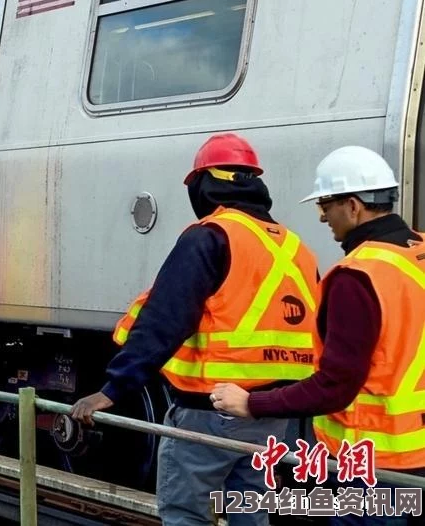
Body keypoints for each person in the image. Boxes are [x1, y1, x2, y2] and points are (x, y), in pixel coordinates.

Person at [70, 133, 321, 526]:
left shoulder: (210, 235)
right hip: (273, 415)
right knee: (250, 514)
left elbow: (164, 320)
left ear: (204, 184)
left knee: (187, 515)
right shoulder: (295, 247)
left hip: (211, 412)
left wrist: (112, 390)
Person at [210, 146, 425, 524]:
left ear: (354, 205)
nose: (323, 216)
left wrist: (252, 404)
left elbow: (335, 386)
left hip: (376, 468)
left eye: (326, 204)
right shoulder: (419, 252)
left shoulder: (358, 276)